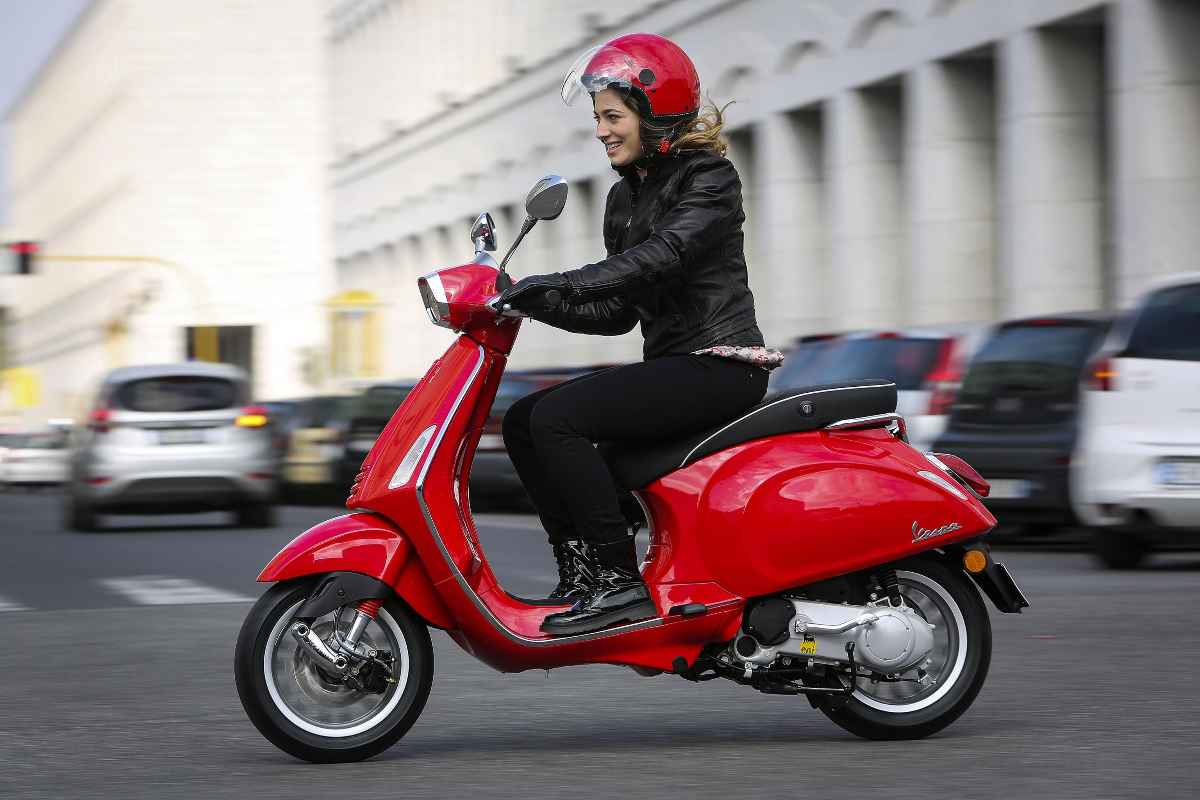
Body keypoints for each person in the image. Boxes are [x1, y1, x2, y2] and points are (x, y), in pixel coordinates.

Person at [496, 33, 783, 636]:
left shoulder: (710, 178)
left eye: (612, 117)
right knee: (523, 419)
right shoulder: (623, 197)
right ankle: (582, 571)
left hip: (721, 365)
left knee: (559, 420)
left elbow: (666, 253)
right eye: (598, 119)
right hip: (674, 367)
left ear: (655, 113)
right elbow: (617, 314)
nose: (601, 131)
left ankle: (618, 581)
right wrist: (532, 302)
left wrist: (565, 281)